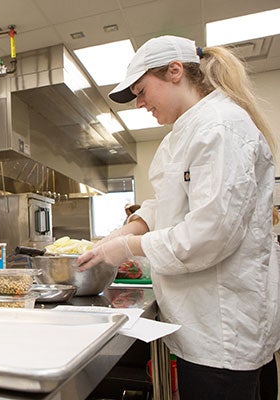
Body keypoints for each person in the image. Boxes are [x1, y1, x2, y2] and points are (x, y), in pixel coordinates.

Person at [76, 35, 280, 399]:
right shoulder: (181, 135)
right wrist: (123, 231)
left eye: (141, 91)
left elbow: (209, 235)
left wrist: (126, 247)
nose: (140, 104)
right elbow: (166, 203)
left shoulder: (220, 127)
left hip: (223, 332)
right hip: (200, 324)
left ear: (174, 72)